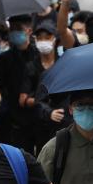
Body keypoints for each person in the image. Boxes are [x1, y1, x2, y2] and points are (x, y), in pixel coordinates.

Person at [0, 15, 38, 150]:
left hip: (38, 111)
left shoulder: (38, 54)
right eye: (12, 29)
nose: (14, 32)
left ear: (29, 30)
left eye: (18, 29)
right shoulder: (4, 59)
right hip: (14, 117)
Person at [19, 21, 67, 155]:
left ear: (55, 39)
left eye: (47, 37)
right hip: (40, 124)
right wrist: (44, 107)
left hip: (64, 120)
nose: (43, 41)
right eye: (40, 37)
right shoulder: (31, 67)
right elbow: (22, 100)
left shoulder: (63, 63)